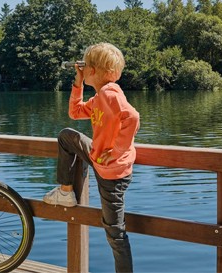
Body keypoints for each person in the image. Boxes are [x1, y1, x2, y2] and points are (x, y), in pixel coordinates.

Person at [43, 42, 139, 273]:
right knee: (67, 136)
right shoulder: (99, 97)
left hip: (112, 172)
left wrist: (115, 151)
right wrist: (77, 82)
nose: (82, 70)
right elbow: (75, 113)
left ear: (93, 71)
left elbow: (132, 118)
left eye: (84, 67)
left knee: (115, 233)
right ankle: (66, 192)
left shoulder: (110, 92)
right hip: (98, 158)